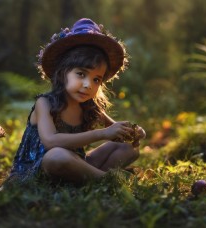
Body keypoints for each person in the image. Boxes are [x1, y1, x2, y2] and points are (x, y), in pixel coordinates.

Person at [8, 18, 146, 183]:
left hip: (75, 163)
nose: (88, 85)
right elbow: (50, 141)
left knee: (129, 148)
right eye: (81, 74)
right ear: (62, 73)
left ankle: (87, 178)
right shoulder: (44, 103)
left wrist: (132, 132)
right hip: (39, 169)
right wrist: (101, 133)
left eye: (96, 79)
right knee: (56, 156)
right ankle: (107, 180)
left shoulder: (89, 106)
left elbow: (116, 132)